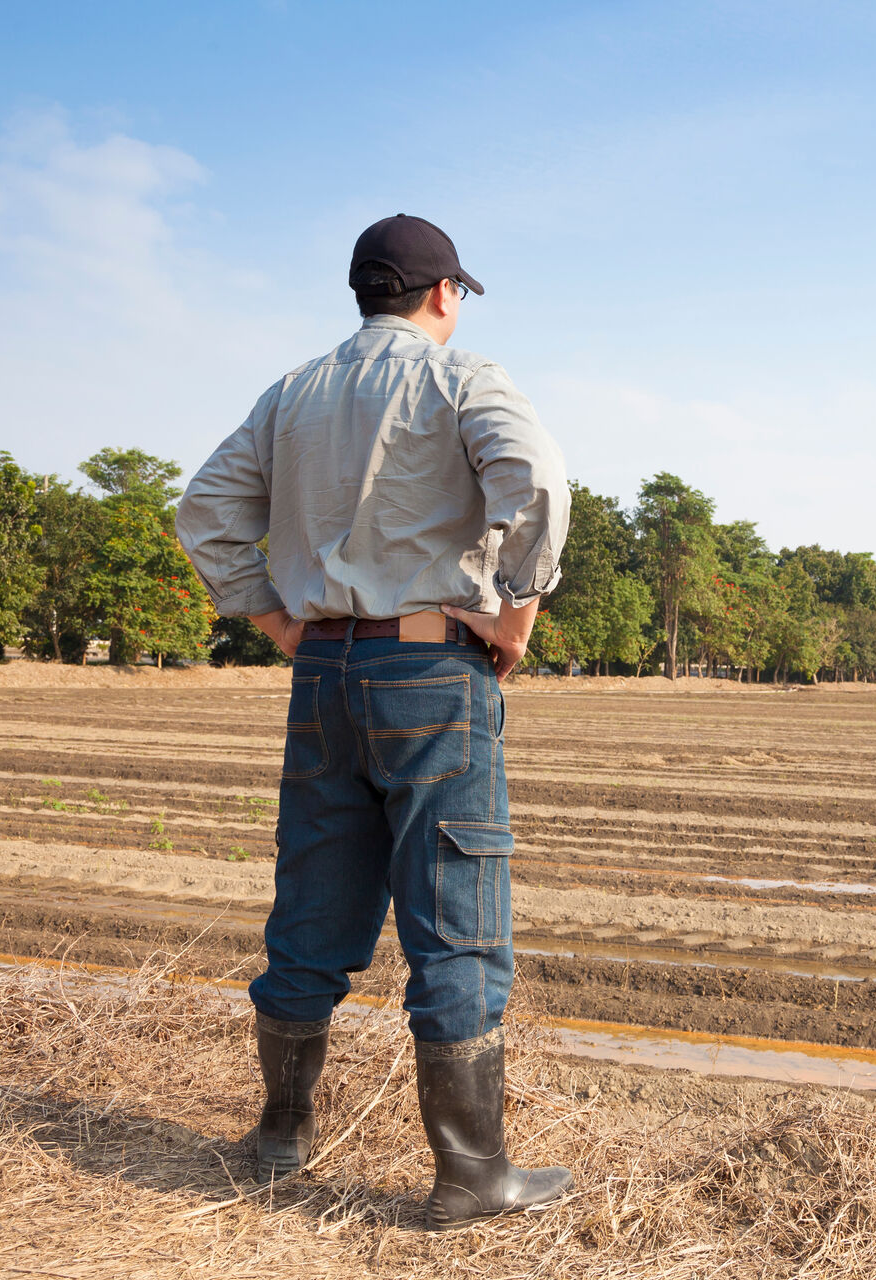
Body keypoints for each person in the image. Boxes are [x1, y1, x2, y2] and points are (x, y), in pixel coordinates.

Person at [175, 214, 573, 1229]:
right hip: (433, 667)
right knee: (456, 917)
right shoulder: (463, 378)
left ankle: (276, 1139)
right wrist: (516, 616)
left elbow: (207, 507)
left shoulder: (293, 393)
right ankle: (472, 1171)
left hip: (325, 675)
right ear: (444, 294)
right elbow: (536, 482)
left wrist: (276, 621)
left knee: (314, 901)